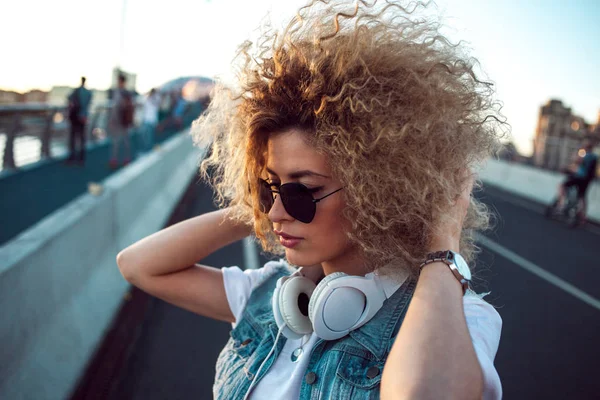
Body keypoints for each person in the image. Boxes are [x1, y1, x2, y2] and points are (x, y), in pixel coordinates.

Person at [116, 1, 504, 399]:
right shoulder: (269, 297)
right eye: (270, 187)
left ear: (381, 192)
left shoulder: (463, 320)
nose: (278, 213)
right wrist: (259, 201)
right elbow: (138, 266)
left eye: (304, 190)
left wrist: (442, 246)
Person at [555, 140, 598, 220]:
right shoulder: (594, 157)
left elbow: (576, 165)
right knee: (582, 196)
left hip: (579, 178)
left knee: (562, 186)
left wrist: (567, 169)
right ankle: (583, 216)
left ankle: (562, 204)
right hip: (587, 181)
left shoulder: (584, 155)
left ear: (585, 147)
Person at [108, 74, 135, 168]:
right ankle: (126, 159)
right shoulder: (128, 93)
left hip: (119, 120)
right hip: (125, 120)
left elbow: (116, 107)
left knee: (116, 140)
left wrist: (112, 119)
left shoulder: (119, 92)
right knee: (125, 140)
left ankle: (115, 160)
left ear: (120, 81)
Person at [66, 76, 92, 165]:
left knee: (73, 137)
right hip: (83, 117)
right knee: (82, 138)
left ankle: (73, 157)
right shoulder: (88, 92)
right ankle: (81, 158)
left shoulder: (76, 91)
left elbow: (69, 98)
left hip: (75, 117)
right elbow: (88, 104)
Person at [140, 88, 161, 154]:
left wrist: (151, 97)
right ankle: (146, 148)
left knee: (150, 135)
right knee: (145, 134)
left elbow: (157, 104)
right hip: (146, 119)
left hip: (152, 120)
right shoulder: (147, 99)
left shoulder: (156, 98)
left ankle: (149, 149)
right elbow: (143, 108)